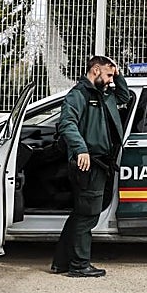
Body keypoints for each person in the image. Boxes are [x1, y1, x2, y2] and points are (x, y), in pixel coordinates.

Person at [51, 55, 131, 277]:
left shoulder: (105, 95)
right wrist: (81, 149)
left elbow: (125, 96)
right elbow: (67, 124)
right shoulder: (79, 95)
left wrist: (117, 72)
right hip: (88, 163)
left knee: (81, 214)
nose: (110, 81)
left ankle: (62, 262)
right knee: (87, 215)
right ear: (95, 70)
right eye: (107, 75)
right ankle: (79, 265)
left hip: (101, 163)